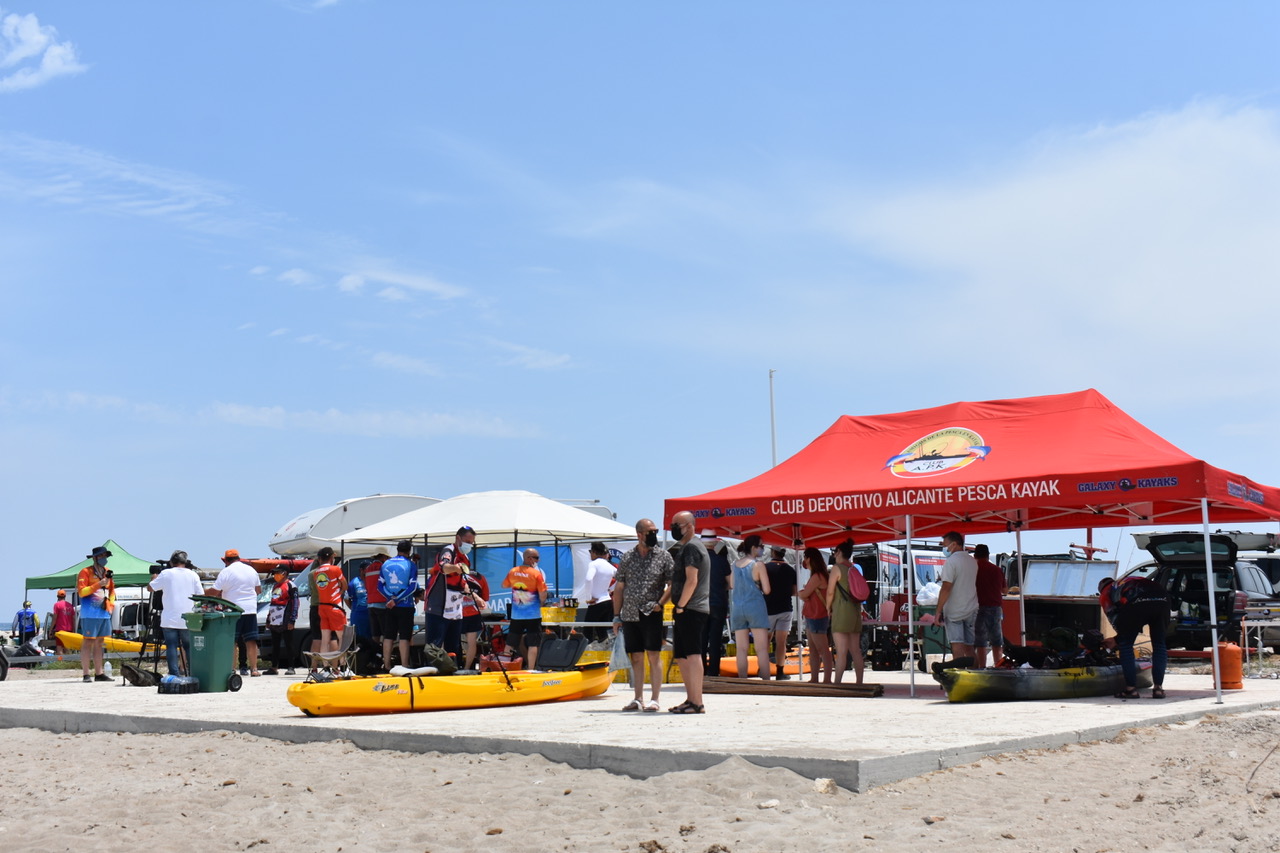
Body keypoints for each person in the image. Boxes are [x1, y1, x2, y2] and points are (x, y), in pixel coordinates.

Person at [612, 518, 674, 712]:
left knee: (654, 655)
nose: (654, 535)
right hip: (630, 613)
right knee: (636, 657)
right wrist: (616, 616)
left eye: (655, 531)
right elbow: (619, 587)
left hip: (651, 613)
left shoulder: (663, 556)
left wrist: (660, 604)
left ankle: (655, 699)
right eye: (650, 532)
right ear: (639, 534)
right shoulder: (628, 557)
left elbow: (673, 584)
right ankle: (638, 698)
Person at [1098, 575, 1169, 699]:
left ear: (1101, 588)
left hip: (1138, 601)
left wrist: (1118, 640)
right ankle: (1158, 689)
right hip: (1163, 599)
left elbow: (1114, 618)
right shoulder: (1125, 581)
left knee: (1126, 645)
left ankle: (1131, 690)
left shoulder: (1106, 592)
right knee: (1159, 644)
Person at [667, 510, 710, 714]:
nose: (674, 528)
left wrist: (682, 605)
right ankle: (690, 699)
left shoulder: (692, 547)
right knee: (683, 656)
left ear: (690, 526)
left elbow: (691, 580)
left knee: (693, 655)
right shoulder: (687, 547)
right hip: (686, 609)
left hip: (692, 608)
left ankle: (697, 702)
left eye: (678, 524)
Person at [147, 550, 204, 676]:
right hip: (188, 617)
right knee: (188, 647)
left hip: (170, 617)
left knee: (171, 646)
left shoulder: (166, 573)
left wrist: (154, 578)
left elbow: (150, 588)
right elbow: (200, 595)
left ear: (172, 562)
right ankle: (192, 673)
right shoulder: (193, 575)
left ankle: (174, 673)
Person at [209, 548, 264, 676]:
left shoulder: (226, 572)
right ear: (238, 558)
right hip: (250, 610)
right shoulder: (251, 570)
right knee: (251, 641)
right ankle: (254, 669)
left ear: (226, 560)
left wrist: (201, 593)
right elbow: (258, 590)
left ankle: (232, 670)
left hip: (232, 611)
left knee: (231, 641)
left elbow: (214, 592)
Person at [426, 526, 475, 659]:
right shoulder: (448, 551)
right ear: (458, 538)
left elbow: (463, 583)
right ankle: (432, 671)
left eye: (471, 543)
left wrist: (476, 597)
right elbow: (444, 567)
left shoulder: (465, 557)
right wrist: (455, 568)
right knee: (434, 644)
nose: (469, 545)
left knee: (454, 645)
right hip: (439, 605)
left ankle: (453, 669)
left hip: (456, 608)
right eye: (467, 541)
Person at [728, 535, 772, 682]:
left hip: (738, 607)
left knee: (741, 649)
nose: (763, 549)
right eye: (761, 546)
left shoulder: (734, 564)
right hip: (755, 606)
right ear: (754, 548)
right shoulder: (758, 565)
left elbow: (732, 585)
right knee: (761, 648)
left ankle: (742, 679)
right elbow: (767, 590)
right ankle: (766, 680)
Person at [935, 531, 979, 662]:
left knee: (957, 645)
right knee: (970, 648)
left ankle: (960, 678)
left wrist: (938, 611)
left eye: (945, 545)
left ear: (954, 544)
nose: (944, 548)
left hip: (955, 611)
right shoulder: (972, 561)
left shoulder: (951, 562)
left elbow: (946, 588)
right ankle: (975, 676)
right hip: (971, 608)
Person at [826, 539, 865, 685]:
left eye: (835, 552)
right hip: (855, 611)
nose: (834, 555)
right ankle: (859, 682)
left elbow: (830, 592)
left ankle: (837, 683)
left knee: (841, 651)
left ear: (840, 552)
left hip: (841, 610)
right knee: (855, 650)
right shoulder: (854, 568)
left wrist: (828, 607)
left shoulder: (837, 568)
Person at [503, 548, 548, 669]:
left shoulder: (513, 571)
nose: (538, 560)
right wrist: (541, 603)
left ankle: (504, 668)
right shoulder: (536, 573)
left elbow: (505, 585)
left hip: (517, 615)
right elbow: (543, 594)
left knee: (510, 643)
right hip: (533, 614)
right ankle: (531, 670)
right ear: (529, 558)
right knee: (533, 643)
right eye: (537, 558)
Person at [76, 545, 116, 682]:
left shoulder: (108, 571)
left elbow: (112, 591)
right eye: (101, 556)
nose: (104, 559)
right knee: (88, 642)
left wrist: (111, 605)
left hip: (104, 613)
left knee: (100, 642)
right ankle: (86, 674)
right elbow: (82, 592)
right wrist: (98, 584)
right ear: (95, 558)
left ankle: (99, 673)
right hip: (90, 613)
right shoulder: (85, 572)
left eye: (106, 556)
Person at [378, 540, 419, 672]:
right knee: (404, 636)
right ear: (409, 551)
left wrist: (391, 598)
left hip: (390, 605)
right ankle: (405, 664)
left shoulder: (386, 563)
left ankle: (387, 665)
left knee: (389, 635)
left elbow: (380, 586)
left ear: (397, 549)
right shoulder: (411, 565)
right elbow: (412, 587)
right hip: (405, 605)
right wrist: (397, 599)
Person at [797, 547, 834, 683]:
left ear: (810, 559)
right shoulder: (820, 575)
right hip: (814, 615)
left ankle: (826, 679)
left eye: (805, 558)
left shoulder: (817, 576)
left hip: (816, 615)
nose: (804, 561)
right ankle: (815, 678)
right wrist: (804, 594)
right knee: (815, 650)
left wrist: (803, 593)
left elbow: (803, 594)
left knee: (822, 649)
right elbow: (805, 594)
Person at [701, 532, 732, 678]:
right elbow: (731, 584)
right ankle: (714, 672)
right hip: (718, 602)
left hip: (699, 604)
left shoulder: (696, 560)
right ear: (715, 544)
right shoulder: (721, 560)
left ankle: (701, 672)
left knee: (700, 640)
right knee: (715, 640)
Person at [763, 547, 798, 680]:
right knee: (781, 642)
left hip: (768, 608)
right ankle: (780, 672)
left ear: (772, 552)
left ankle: (763, 668)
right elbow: (794, 592)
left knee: (765, 640)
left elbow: (762, 587)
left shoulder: (766, 568)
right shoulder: (790, 570)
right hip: (785, 608)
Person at [972, 543, 1007, 669]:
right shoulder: (997, 570)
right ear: (988, 555)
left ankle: (982, 667)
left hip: (978, 607)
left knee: (980, 641)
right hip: (995, 608)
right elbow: (1005, 590)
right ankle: (998, 666)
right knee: (997, 641)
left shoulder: (973, 570)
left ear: (975, 555)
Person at [309, 546, 346, 662]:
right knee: (341, 638)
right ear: (331, 557)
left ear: (319, 559)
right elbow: (345, 584)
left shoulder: (315, 573)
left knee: (325, 639)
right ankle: (342, 665)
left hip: (322, 607)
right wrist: (339, 592)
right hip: (334, 606)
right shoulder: (335, 569)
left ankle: (326, 667)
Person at [264, 569, 300, 675]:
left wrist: (292, 620)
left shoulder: (291, 586)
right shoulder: (275, 586)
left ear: (284, 573)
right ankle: (274, 667)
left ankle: (291, 667)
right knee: (275, 644)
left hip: (286, 617)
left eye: (277, 573)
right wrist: (268, 618)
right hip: (275, 618)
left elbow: (295, 603)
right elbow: (272, 602)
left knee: (289, 643)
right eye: (274, 573)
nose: (275, 575)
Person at [579, 542, 616, 644]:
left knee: (588, 630)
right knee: (603, 631)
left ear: (594, 552)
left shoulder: (593, 564)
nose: (590, 554)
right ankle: (604, 654)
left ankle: (588, 653)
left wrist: (589, 597)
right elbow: (621, 578)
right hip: (607, 601)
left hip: (597, 602)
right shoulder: (609, 565)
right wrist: (611, 589)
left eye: (590, 552)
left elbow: (588, 579)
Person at [460, 569, 490, 670]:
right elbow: (485, 598)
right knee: (471, 642)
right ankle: (466, 668)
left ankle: (454, 666)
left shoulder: (455, 575)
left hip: (456, 613)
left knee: (452, 641)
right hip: (473, 613)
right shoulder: (480, 577)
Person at [363, 549, 390, 653]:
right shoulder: (383, 568)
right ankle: (385, 657)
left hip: (370, 605)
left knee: (375, 634)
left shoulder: (368, 569)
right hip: (382, 604)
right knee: (386, 634)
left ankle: (375, 657)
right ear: (383, 557)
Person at [52, 590, 75, 654]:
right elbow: (73, 618)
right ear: (65, 596)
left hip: (60, 630)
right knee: (67, 647)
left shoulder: (57, 605)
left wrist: (51, 629)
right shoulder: (70, 605)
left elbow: (54, 618)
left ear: (57, 596)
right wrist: (74, 629)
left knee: (59, 648)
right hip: (69, 630)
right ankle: (68, 662)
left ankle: (61, 662)